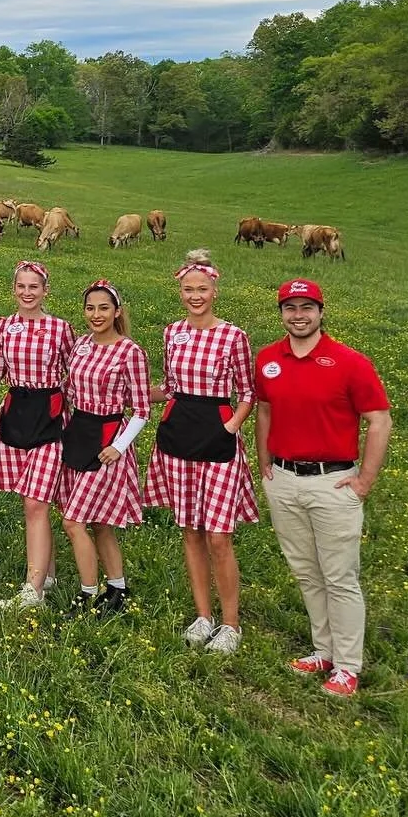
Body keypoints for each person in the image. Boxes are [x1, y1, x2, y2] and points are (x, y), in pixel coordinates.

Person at [255, 278, 392, 698]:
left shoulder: (348, 361)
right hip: (284, 479)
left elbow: (380, 420)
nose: (298, 315)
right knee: (305, 571)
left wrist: (364, 480)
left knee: (339, 576)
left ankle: (348, 665)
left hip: (333, 482)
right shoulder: (267, 360)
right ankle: (323, 650)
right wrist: (264, 463)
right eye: (290, 308)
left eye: (306, 307)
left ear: (320, 311)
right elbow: (263, 411)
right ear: (281, 313)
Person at [144, 251, 255, 654]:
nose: (195, 296)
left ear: (214, 292)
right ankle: (203, 615)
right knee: (190, 530)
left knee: (219, 536)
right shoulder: (173, 332)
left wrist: (230, 426)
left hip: (217, 436)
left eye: (202, 289)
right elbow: (170, 385)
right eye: (188, 289)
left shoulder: (233, 336)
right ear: (180, 292)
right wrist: (132, 392)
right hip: (178, 435)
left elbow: (247, 391)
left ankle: (230, 624)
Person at [59, 279, 152, 614]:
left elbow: (142, 409)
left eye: (103, 308)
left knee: (73, 521)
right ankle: (118, 588)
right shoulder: (81, 345)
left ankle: (87, 593)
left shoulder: (130, 351)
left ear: (117, 312)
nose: (96, 315)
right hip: (79, 432)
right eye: (90, 308)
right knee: (99, 522)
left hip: (108, 440)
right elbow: (69, 391)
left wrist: (119, 446)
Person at [0, 260, 75, 611]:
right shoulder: (4, 327)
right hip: (15, 412)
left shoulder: (60, 329)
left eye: (34, 287)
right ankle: (48, 575)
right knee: (32, 501)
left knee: (35, 503)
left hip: (49, 413)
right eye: (21, 286)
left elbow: (75, 373)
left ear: (45, 291)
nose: (27, 293)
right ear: (14, 290)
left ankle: (32, 590)